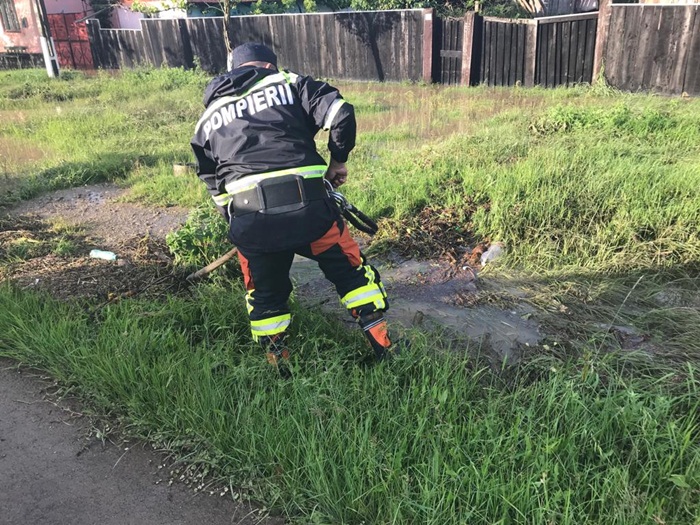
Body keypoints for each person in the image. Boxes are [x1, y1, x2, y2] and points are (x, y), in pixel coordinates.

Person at [190, 42, 396, 370]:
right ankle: (385, 349)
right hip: (311, 213)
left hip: (251, 223)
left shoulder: (207, 119)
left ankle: (279, 366)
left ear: (232, 71)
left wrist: (237, 221)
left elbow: (213, 183)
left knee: (265, 295)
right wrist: (337, 163)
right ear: (269, 66)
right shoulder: (288, 83)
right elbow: (341, 113)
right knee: (352, 276)